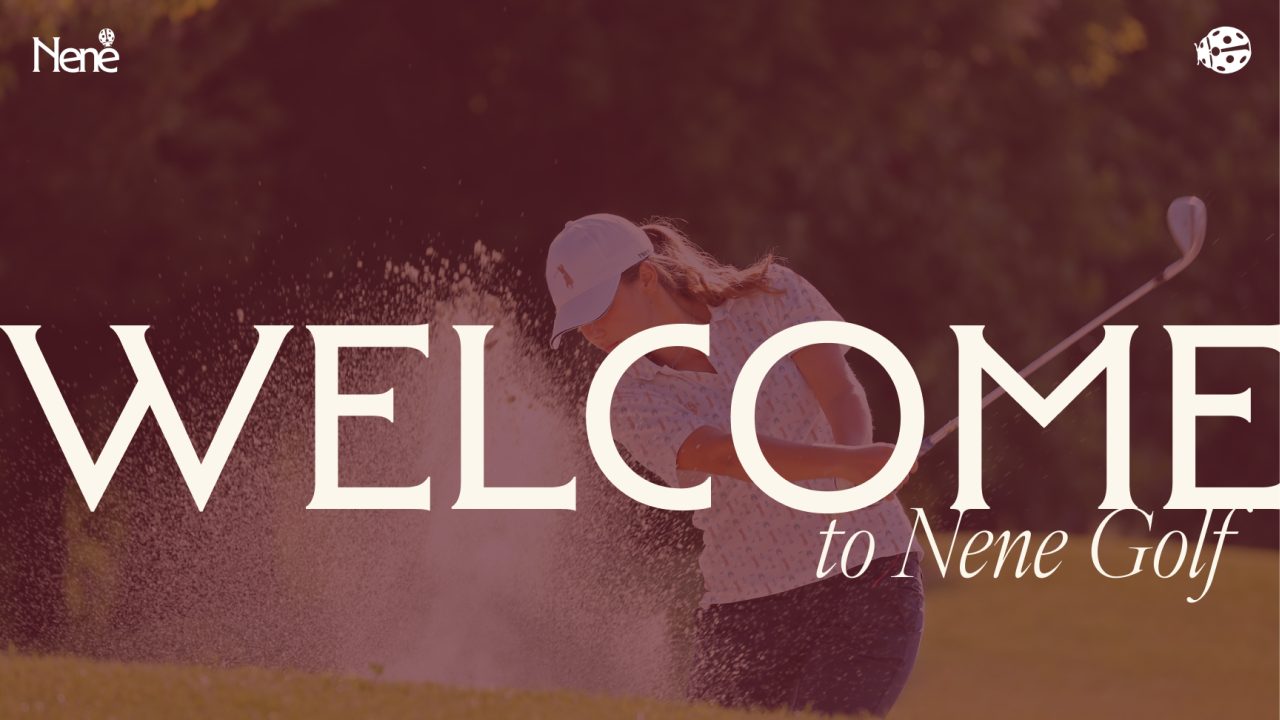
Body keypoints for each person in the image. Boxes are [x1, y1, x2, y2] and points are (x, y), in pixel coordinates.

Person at [544, 213, 923, 717]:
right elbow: (726, 453)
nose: (592, 331)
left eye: (599, 308)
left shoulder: (772, 296)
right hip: (746, 607)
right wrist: (848, 465)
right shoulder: (622, 395)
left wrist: (857, 466)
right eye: (579, 320)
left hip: (866, 577)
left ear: (648, 278)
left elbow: (838, 388)